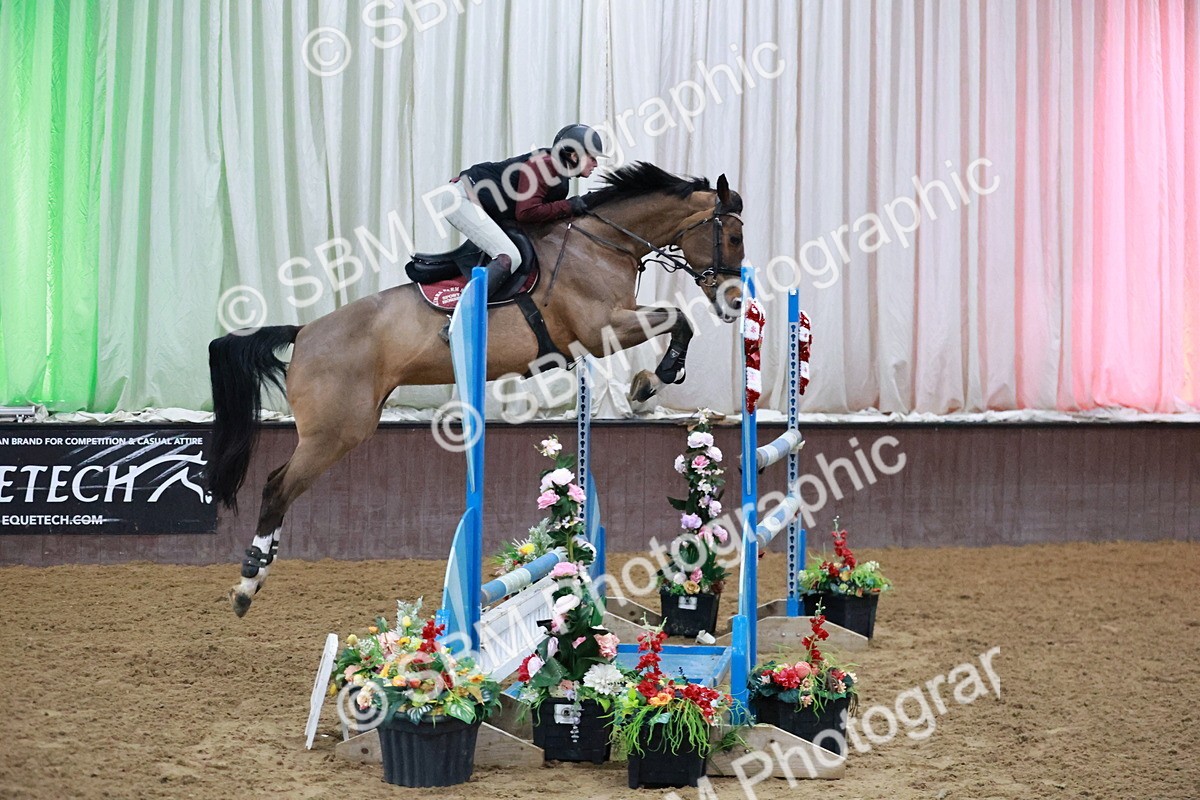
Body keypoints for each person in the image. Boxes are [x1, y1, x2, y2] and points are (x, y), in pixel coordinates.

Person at [430, 124, 605, 301]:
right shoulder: (546, 165)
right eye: (592, 157)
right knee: (509, 257)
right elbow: (526, 213)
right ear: (574, 154)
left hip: (476, 200)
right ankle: (462, 317)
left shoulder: (558, 175)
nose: (596, 164)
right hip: (460, 199)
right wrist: (568, 206)